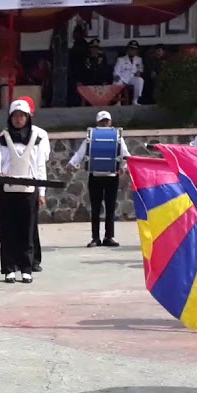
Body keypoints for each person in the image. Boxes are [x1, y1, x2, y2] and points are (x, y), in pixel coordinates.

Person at [0, 99, 49, 284]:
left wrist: (42, 193)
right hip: (7, 192)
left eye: (22, 115)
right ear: (10, 118)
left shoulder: (36, 140)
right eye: (15, 116)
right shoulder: (1, 140)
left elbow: (40, 167)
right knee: (7, 231)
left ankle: (26, 268)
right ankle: (9, 269)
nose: (19, 119)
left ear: (28, 118)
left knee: (27, 231)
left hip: (28, 192)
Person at [68, 110, 129, 249]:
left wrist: (124, 167)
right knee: (95, 209)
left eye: (106, 121)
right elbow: (81, 152)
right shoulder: (91, 137)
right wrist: (73, 163)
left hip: (112, 177)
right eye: (102, 121)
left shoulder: (118, 138)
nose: (104, 123)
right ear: (97, 123)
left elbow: (125, 154)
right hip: (95, 176)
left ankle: (109, 237)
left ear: (111, 122)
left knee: (110, 208)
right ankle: (95, 238)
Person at [113, 40, 145, 105]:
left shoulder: (139, 59)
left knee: (140, 80)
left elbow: (141, 69)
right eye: (131, 49)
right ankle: (118, 101)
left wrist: (139, 72)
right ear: (128, 49)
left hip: (132, 78)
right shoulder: (121, 59)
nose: (132, 51)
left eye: (134, 49)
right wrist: (117, 76)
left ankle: (135, 100)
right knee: (116, 82)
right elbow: (116, 71)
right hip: (122, 78)